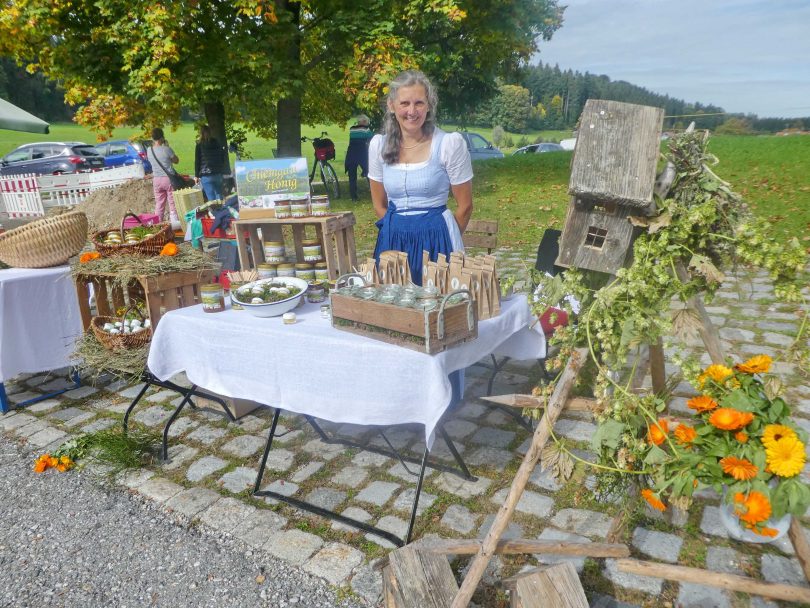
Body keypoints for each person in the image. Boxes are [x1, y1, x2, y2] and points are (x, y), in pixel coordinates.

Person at [368, 70, 473, 285]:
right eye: (404, 103)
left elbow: (465, 206)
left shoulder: (449, 144)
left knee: (438, 300)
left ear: (429, 105)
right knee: (393, 301)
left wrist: (442, 236)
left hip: (437, 241)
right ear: (391, 106)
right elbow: (378, 204)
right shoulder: (379, 145)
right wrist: (396, 231)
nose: (412, 111)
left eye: (419, 103)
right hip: (393, 241)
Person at [146, 127, 180, 223]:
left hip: (156, 179)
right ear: (162, 137)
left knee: (159, 203)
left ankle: (158, 224)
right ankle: (174, 223)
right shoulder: (166, 149)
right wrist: (167, 146)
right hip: (168, 179)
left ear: (152, 138)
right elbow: (176, 161)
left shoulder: (149, 150)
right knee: (172, 202)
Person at [344, 114, 374, 202]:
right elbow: (372, 138)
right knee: (369, 173)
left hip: (351, 153)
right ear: (364, 121)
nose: (368, 123)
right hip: (362, 154)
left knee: (352, 176)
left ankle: (353, 197)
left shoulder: (352, 129)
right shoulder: (366, 129)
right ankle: (374, 193)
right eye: (367, 122)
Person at [194, 125, 228, 202]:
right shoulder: (217, 143)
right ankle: (221, 209)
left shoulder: (199, 145)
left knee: (211, 199)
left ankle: (214, 209)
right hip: (217, 173)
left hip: (206, 175)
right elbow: (222, 157)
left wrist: (196, 175)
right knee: (219, 196)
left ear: (201, 133)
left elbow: (197, 161)